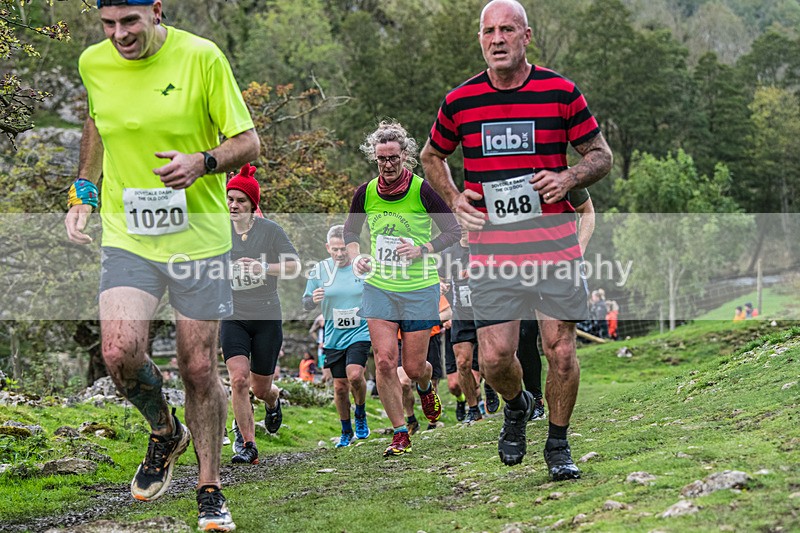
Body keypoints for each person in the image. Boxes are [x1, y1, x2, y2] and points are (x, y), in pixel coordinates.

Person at [64, 1, 260, 529]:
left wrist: (203, 162)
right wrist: (84, 192)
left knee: (199, 368)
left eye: (130, 22)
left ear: (156, 11)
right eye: (108, 24)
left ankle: (210, 487)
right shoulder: (93, 63)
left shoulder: (202, 57)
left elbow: (249, 141)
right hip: (130, 237)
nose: (119, 35)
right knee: (119, 352)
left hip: (199, 240)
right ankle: (164, 430)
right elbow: (97, 122)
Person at [421, 0, 612, 480]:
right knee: (496, 356)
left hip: (554, 248)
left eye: (508, 29)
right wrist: (454, 201)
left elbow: (600, 154)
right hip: (493, 252)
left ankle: (558, 443)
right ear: (481, 40)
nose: (498, 38)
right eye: (489, 31)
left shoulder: (560, 92)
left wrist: (567, 178)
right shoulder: (461, 100)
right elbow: (430, 156)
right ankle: (516, 403)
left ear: (527, 35)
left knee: (561, 350)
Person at [344, 120, 460, 457]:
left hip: (419, 288)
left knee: (412, 368)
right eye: (382, 159)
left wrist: (422, 249)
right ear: (375, 158)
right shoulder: (364, 193)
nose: (388, 164)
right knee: (382, 362)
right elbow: (351, 234)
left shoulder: (422, 190)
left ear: (404, 156)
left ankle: (425, 385)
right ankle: (399, 433)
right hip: (379, 286)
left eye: (393, 157)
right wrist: (356, 259)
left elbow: (452, 231)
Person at [222, 163, 300, 465]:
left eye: (240, 200)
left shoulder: (270, 231)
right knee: (239, 380)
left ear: (253, 205)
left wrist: (263, 268)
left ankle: (273, 399)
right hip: (233, 315)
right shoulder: (220, 231)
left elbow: (294, 266)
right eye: (230, 199)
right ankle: (247, 444)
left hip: (266, 316)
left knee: (260, 387)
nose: (234, 205)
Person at [518, 190, 596, 422]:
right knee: (524, 334)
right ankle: (534, 399)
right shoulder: (504, 171)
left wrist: (579, 250)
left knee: (558, 344)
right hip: (516, 270)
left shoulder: (562, 171)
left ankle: (558, 419)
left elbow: (588, 211)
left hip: (559, 269)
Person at [303, 224, 372, 448]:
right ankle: (345, 430)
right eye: (335, 249)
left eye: (344, 249)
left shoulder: (363, 266)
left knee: (354, 376)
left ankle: (360, 412)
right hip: (334, 335)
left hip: (360, 331)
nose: (340, 254)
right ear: (328, 248)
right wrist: (312, 299)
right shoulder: (319, 270)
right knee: (340, 386)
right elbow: (305, 302)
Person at [309, 313, 333, 385]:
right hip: (323, 349)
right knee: (327, 376)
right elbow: (312, 331)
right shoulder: (320, 318)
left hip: (334, 346)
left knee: (333, 375)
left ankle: (320, 386)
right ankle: (320, 385)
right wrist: (319, 342)